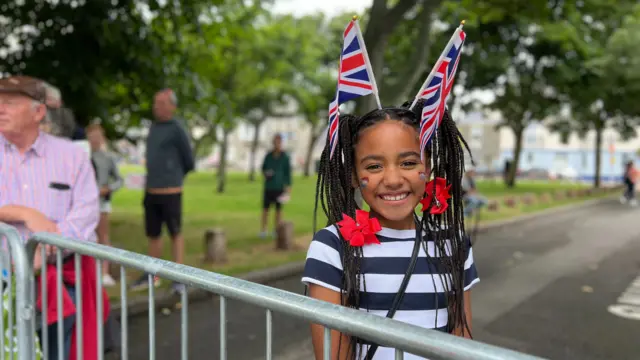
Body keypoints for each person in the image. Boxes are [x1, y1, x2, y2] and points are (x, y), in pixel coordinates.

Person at [0, 75, 109, 360]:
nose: (1, 109)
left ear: (38, 112)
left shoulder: (71, 155)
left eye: (10, 103)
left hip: (56, 282)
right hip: (2, 277)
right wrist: (23, 213)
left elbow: (87, 212)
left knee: (56, 351)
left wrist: (48, 247)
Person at [131, 89, 194, 293]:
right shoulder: (153, 128)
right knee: (153, 234)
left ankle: (179, 277)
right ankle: (153, 275)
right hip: (152, 191)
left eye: (161, 103)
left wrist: (173, 177)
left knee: (175, 233)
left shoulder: (177, 129)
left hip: (171, 192)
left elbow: (189, 161)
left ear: (172, 106)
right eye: (155, 103)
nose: (156, 106)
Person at [87, 124, 123, 286]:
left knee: (103, 236)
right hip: (84, 203)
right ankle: (88, 272)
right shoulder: (80, 156)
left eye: (97, 137)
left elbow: (119, 180)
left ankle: (104, 272)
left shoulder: (107, 158)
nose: (94, 140)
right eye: (91, 136)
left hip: (101, 203)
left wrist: (108, 189)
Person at [260, 133, 292, 238]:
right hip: (269, 187)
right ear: (273, 143)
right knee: (265, 209)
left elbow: (288, 172)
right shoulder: (268, 156)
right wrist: (266, 173)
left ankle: (276, 230)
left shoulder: (285, 157)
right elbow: (263, 168)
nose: (277, 144)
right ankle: (263, 230)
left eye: (279, 142)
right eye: (275, 142)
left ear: (281, 143)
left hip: (279, 187)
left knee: (278, 210)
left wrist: (288, 186)